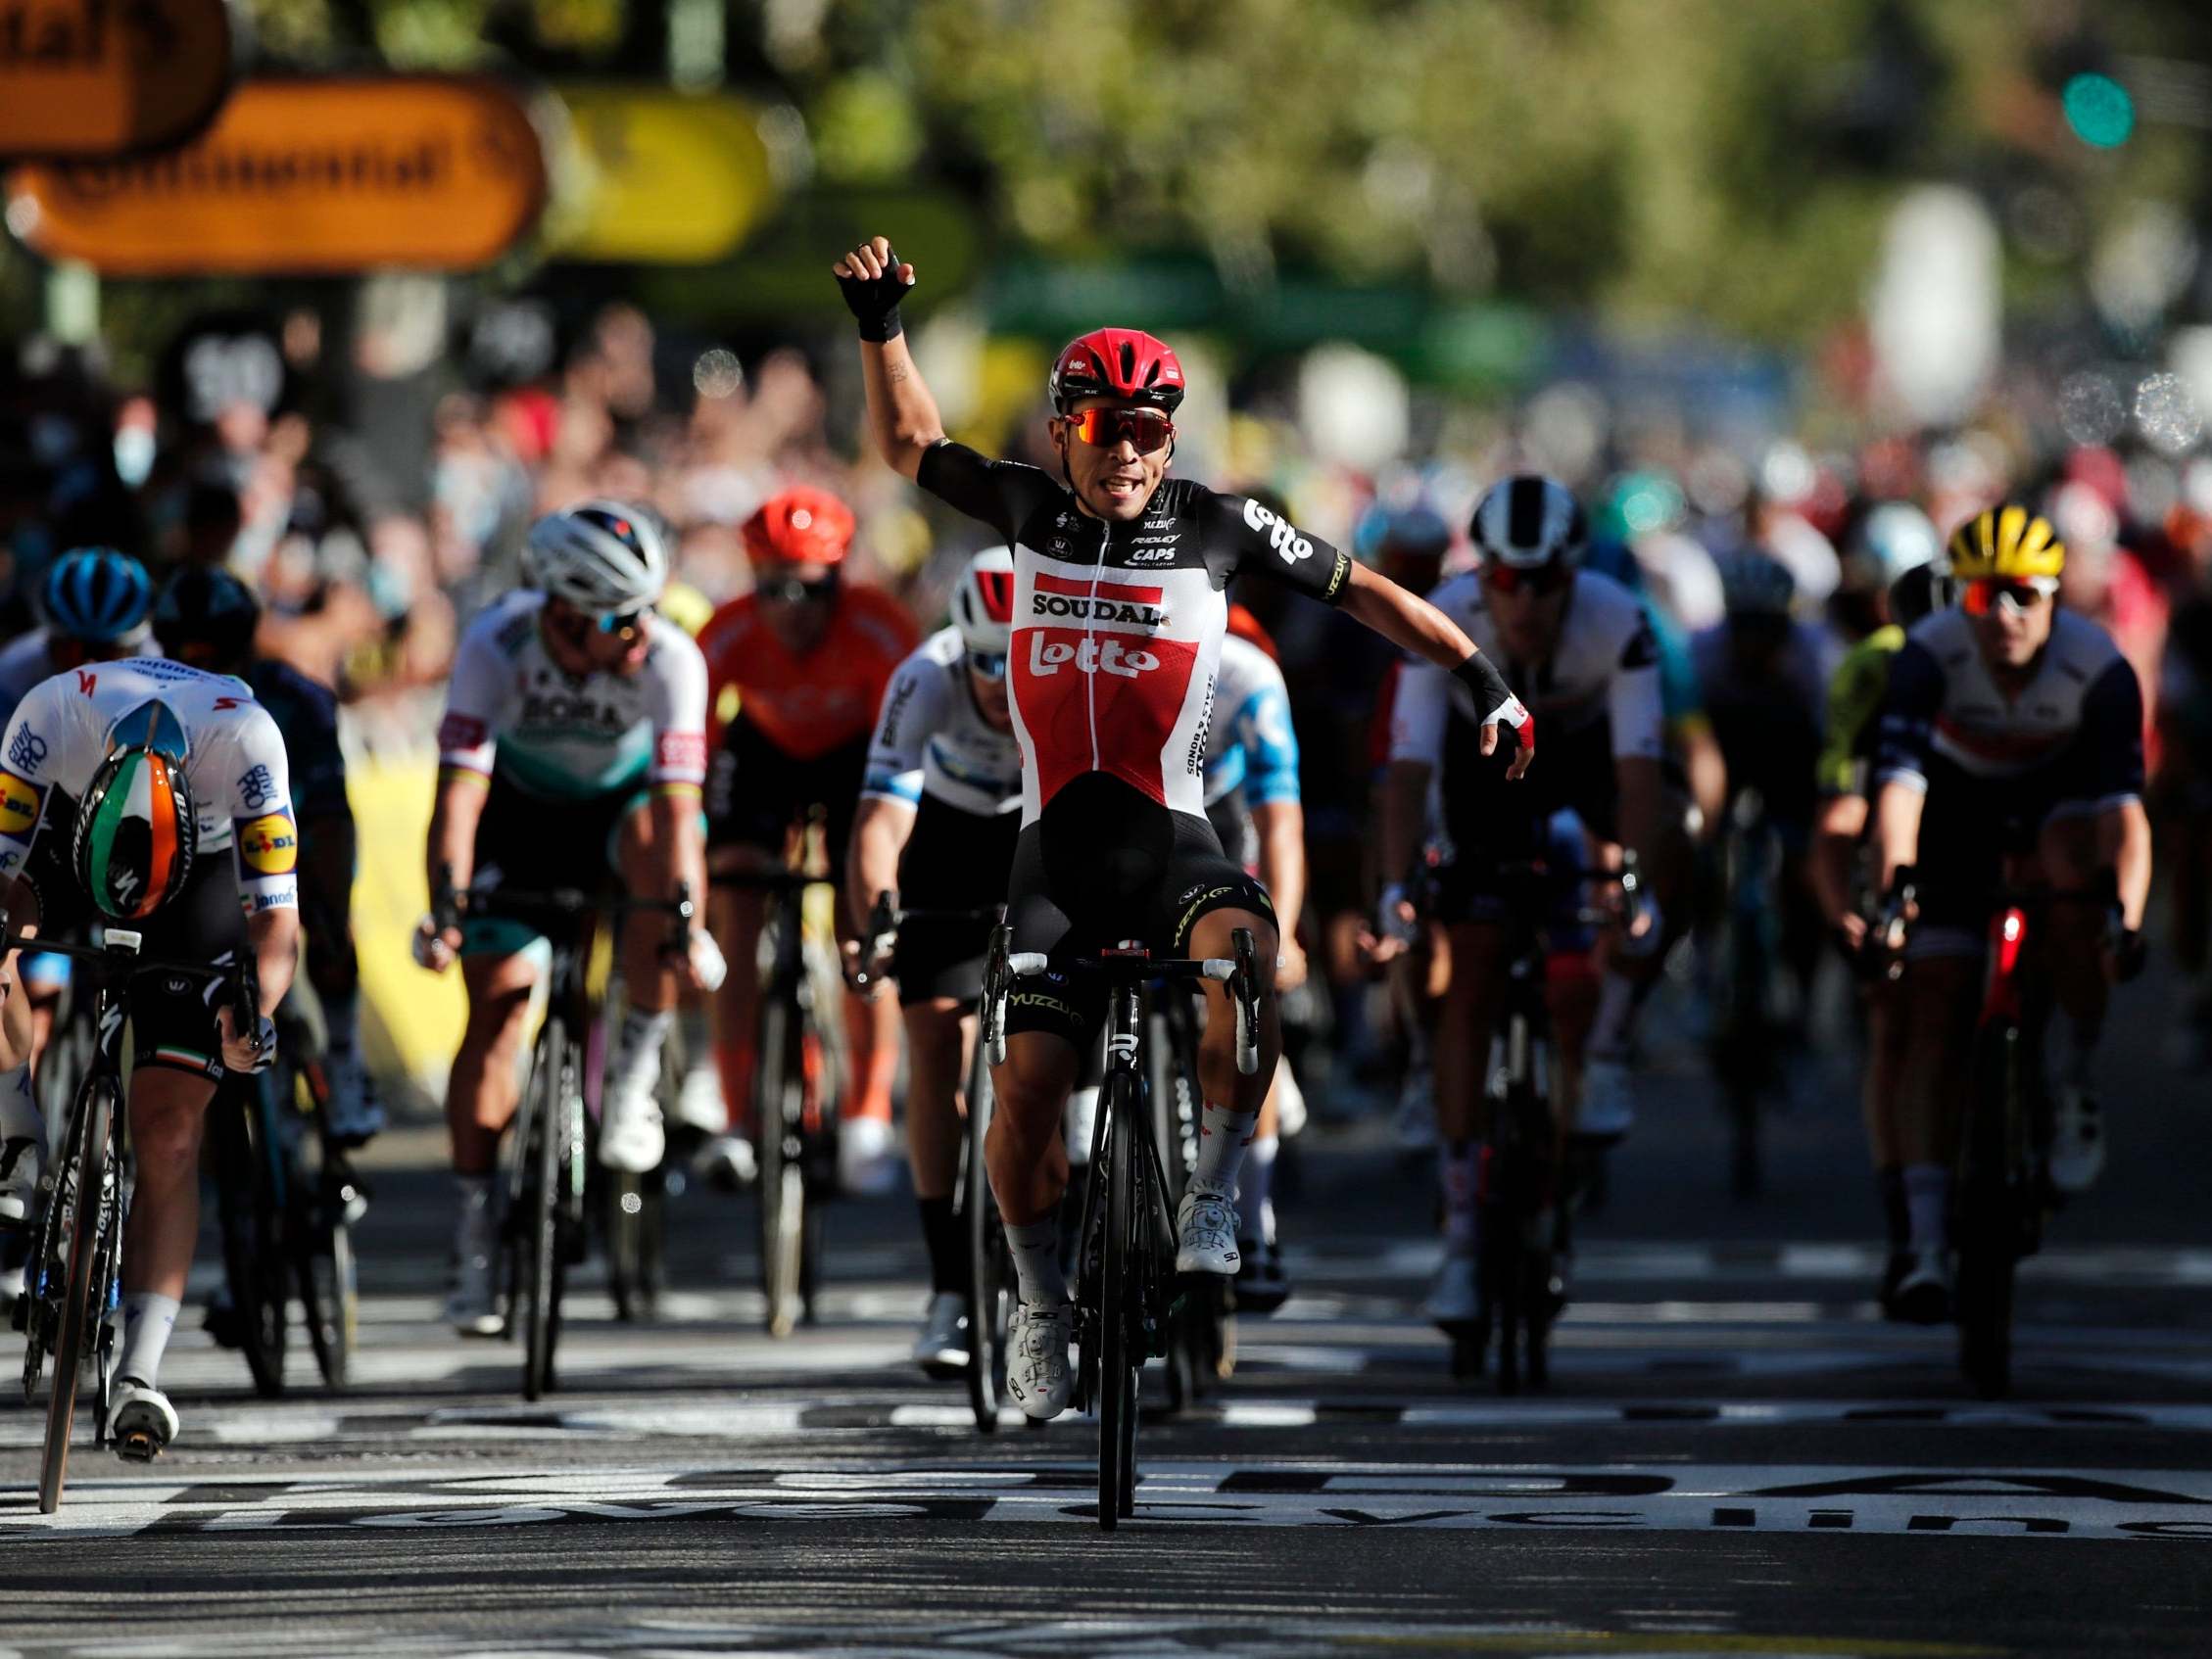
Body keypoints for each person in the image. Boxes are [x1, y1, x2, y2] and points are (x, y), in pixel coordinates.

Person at [834, 234, 1531, 1419]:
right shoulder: (1027, 513)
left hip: (1172, 844)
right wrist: (881, 329)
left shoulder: (1224, 526)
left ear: (1173, 436)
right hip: (1052, 857)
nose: (1125, 449)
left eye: (1149, 427)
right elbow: (909, 446)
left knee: (1248, 951)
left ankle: (1214, 1186)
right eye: (1102, 425)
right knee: (1024, 1100)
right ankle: (1041, 1306)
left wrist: (1483, 679)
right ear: (1064, 429)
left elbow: (1365, 594)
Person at [413, 500, 722, 1335]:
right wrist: (445, 906)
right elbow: (459, 800)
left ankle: (631, 1080)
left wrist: (685, 921)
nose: (642, 636)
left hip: (622, 817)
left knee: (664, 861)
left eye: (648, 613)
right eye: (624, 621)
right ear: (563, 613)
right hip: (519, 814)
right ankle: (477, 1233)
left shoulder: (671, 662)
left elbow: (679, 809)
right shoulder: (495, 643)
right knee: (501, 1010)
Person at [1381, 475, 1666, 1329]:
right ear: (1485, 576)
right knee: (1467, 971)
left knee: (1669, 840)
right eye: (1508, 579)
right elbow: (1407, 770)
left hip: (1580, 773)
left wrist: (1638, 883)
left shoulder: (1617, 621)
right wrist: (1400, 889)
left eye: (1547, 582)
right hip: (1477, 779)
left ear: (1575, 577)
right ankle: (1464, 1237)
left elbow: (1639, 772)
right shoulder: (1445, 614)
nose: (1527, 599)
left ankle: (1605, 1045)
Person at [0, 664, 300, 1457]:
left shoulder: (246, 741)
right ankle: (16, 1129)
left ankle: (140, 1369)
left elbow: (276, 929)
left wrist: (254, 1019)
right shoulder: (51, 716)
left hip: (194, 882)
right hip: (65, 851)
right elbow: (6, 875)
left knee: (169, 1136)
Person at [1870, 503, 2150, 1321]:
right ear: (1959, 599)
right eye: (1984, 597)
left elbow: (2122, 815)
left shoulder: (2098, 666)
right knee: (1935, 1005)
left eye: (2025, 595)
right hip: (1957, 809)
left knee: (2073, 881)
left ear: (2056, 597)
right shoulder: (1927, 657)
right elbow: (1899, 790)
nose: (2006, 616)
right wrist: (1895, 893)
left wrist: (2124, 920)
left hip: (2056, 802)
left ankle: (2074, 1078)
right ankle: (1924, 1242)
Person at [695, 487, 919, 1195]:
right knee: (735, 900)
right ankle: (736, 1114)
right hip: (762, 755)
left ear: (840, 580)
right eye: (772, 589)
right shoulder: (725, 633)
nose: (790, 607)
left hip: (858, 755)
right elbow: (692, 751)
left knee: (862, 914)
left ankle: (868, 1113)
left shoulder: (882, 631)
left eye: (809, 589)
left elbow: (903, 758)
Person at [847, 547, 1026, 1373]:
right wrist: (878, 916)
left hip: (1039, 837)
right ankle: (951, 1285)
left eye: (1015, 655)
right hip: (947, 842)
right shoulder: (926, 675)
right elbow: (881, 819)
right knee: (933, 1045)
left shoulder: (1070, 670)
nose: (997, 677)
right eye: (983, 657)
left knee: (1055, 1056)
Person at [151, 565, 381, 1145]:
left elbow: (329, 810)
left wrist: (328, 902)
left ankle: (345, 1055)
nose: (202, 666)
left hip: (287, 835)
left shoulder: (298, 697)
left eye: (216, 652)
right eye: (187, 652)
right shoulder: (151, 695)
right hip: (197, 851)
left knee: (327, 911)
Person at [1808, 540, 1947, 1311]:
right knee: (1893, 1017)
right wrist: (1846, 914)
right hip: (1893, 824)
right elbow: (1842, 814)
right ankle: (1907, 1219)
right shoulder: (1874, 670)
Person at [0, 547, 160, 1068]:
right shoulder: (14, 672)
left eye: (104, 649)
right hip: (48, 815)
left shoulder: (163, 669)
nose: (86, 665)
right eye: (69, 648)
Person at [1201, 622, 1306, 1308]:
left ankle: (1256, 1218)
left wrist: (1285, 932)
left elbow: (1280, 821)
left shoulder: (1249, 673)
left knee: (1248, 992)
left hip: (1222, 818)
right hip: (1134, 815)